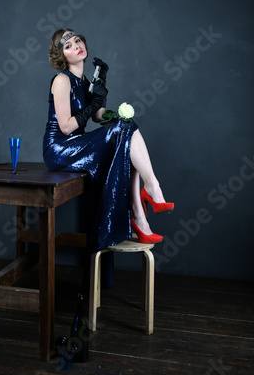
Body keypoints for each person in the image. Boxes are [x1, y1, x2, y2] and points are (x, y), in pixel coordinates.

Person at [43, 29, 174, 288]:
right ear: (62, 55)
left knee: (124, 133)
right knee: (123, 133)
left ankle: (139, 210)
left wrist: (100, 94)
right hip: (60, 148)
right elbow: (67, 127)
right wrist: (93, 105)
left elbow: (98, 117)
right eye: (68, 46)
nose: (76, 46)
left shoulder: (84, 82)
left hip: (77, 145)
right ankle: (151, 190)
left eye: (77, 40)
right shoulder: (61, 80)